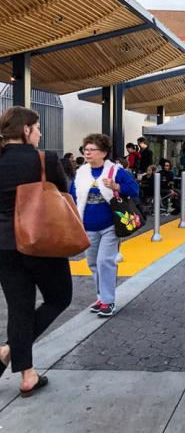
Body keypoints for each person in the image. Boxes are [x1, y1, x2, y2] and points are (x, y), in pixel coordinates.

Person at [0, 107, 72, 397]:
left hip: (3, 246)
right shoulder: (46, 159)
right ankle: (8, 351)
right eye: (38, 127)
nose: (40, 133)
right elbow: (63, 192)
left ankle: (26, 371)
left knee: (19, 308)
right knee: (59, 298)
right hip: (41, 241)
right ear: (25, 130)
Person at [72, 133, 139, 318]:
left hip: (111, 225)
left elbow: (134, 189)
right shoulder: (81, 173)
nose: (87, 153)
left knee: (104, 262)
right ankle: (101, 297)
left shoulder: (116, 171)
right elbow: (72, 195)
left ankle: (108, 301)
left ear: (103, 152)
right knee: (93, 263)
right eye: (86, 149)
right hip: (87, 226)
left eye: (92, 150)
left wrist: (116, 186)